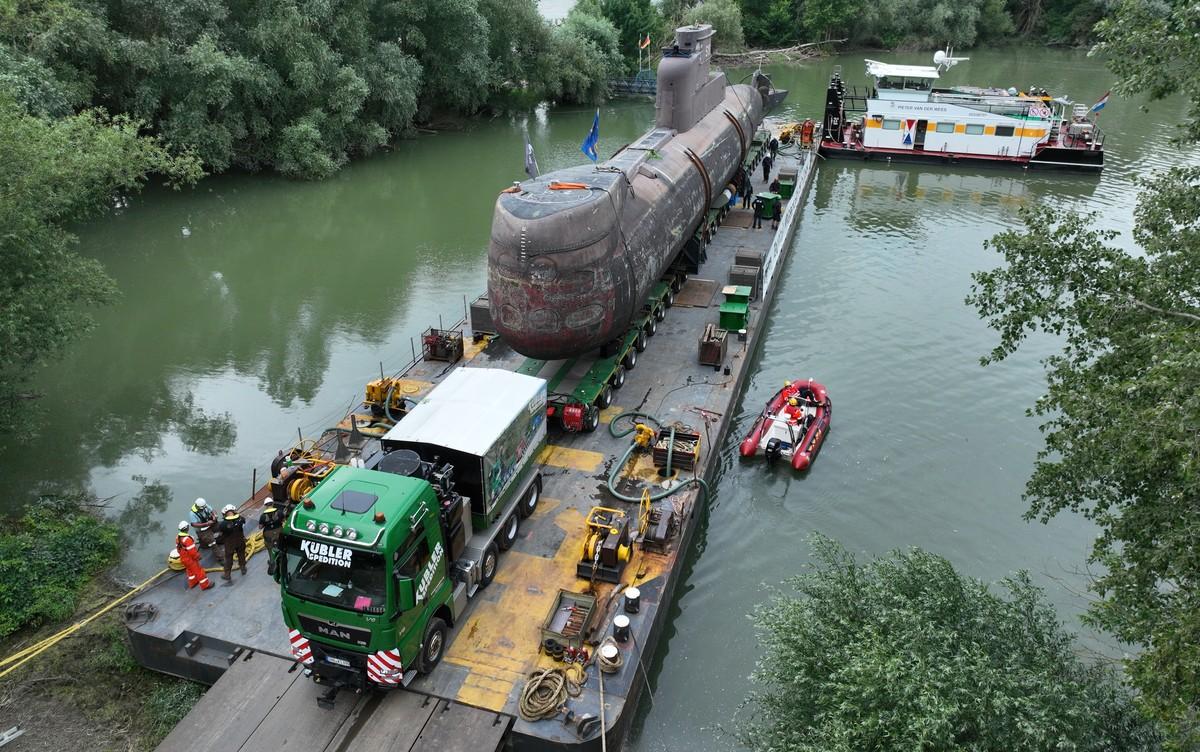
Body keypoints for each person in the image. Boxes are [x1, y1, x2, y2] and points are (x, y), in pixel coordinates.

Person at [175, 521, 213, 590]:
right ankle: (205, 585)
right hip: (190, 559)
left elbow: (178, 549)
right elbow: (192, 552)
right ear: (187, 528)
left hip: (183, 559)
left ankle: (193, 583)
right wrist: (198, 557)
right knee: (199, 571)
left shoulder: (177, 537)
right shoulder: (187, 539)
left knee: (190, 571)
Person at [219, 504, 248, 581]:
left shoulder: (223, 524)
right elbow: (243, 522)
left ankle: (227, 574)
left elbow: (221, 533)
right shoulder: (241, 519)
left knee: (228, 558)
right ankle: (243, 569)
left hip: (229, 543)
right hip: (240, 541)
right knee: (241, 555)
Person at [259, 501, 285, 576]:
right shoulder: (279, 512)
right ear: (272, 504)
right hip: (279, 531)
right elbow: (283, 520)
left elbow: (260, 527)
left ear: (265, 505)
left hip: (268, 534)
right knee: (281, 545)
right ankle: (283, 560)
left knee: (270, 549)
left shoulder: (263, 516)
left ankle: (272, 562)